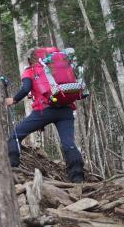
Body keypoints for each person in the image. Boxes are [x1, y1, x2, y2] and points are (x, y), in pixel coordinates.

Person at [5, 48, 85, 183]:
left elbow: (25, 88)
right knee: (69, 143)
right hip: (66, 109)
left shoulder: (30, 70)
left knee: (16, 134)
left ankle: (12, 165)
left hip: (44, 110)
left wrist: (14, 100)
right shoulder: (57, 68)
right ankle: (77, 176)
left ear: (30, 59)